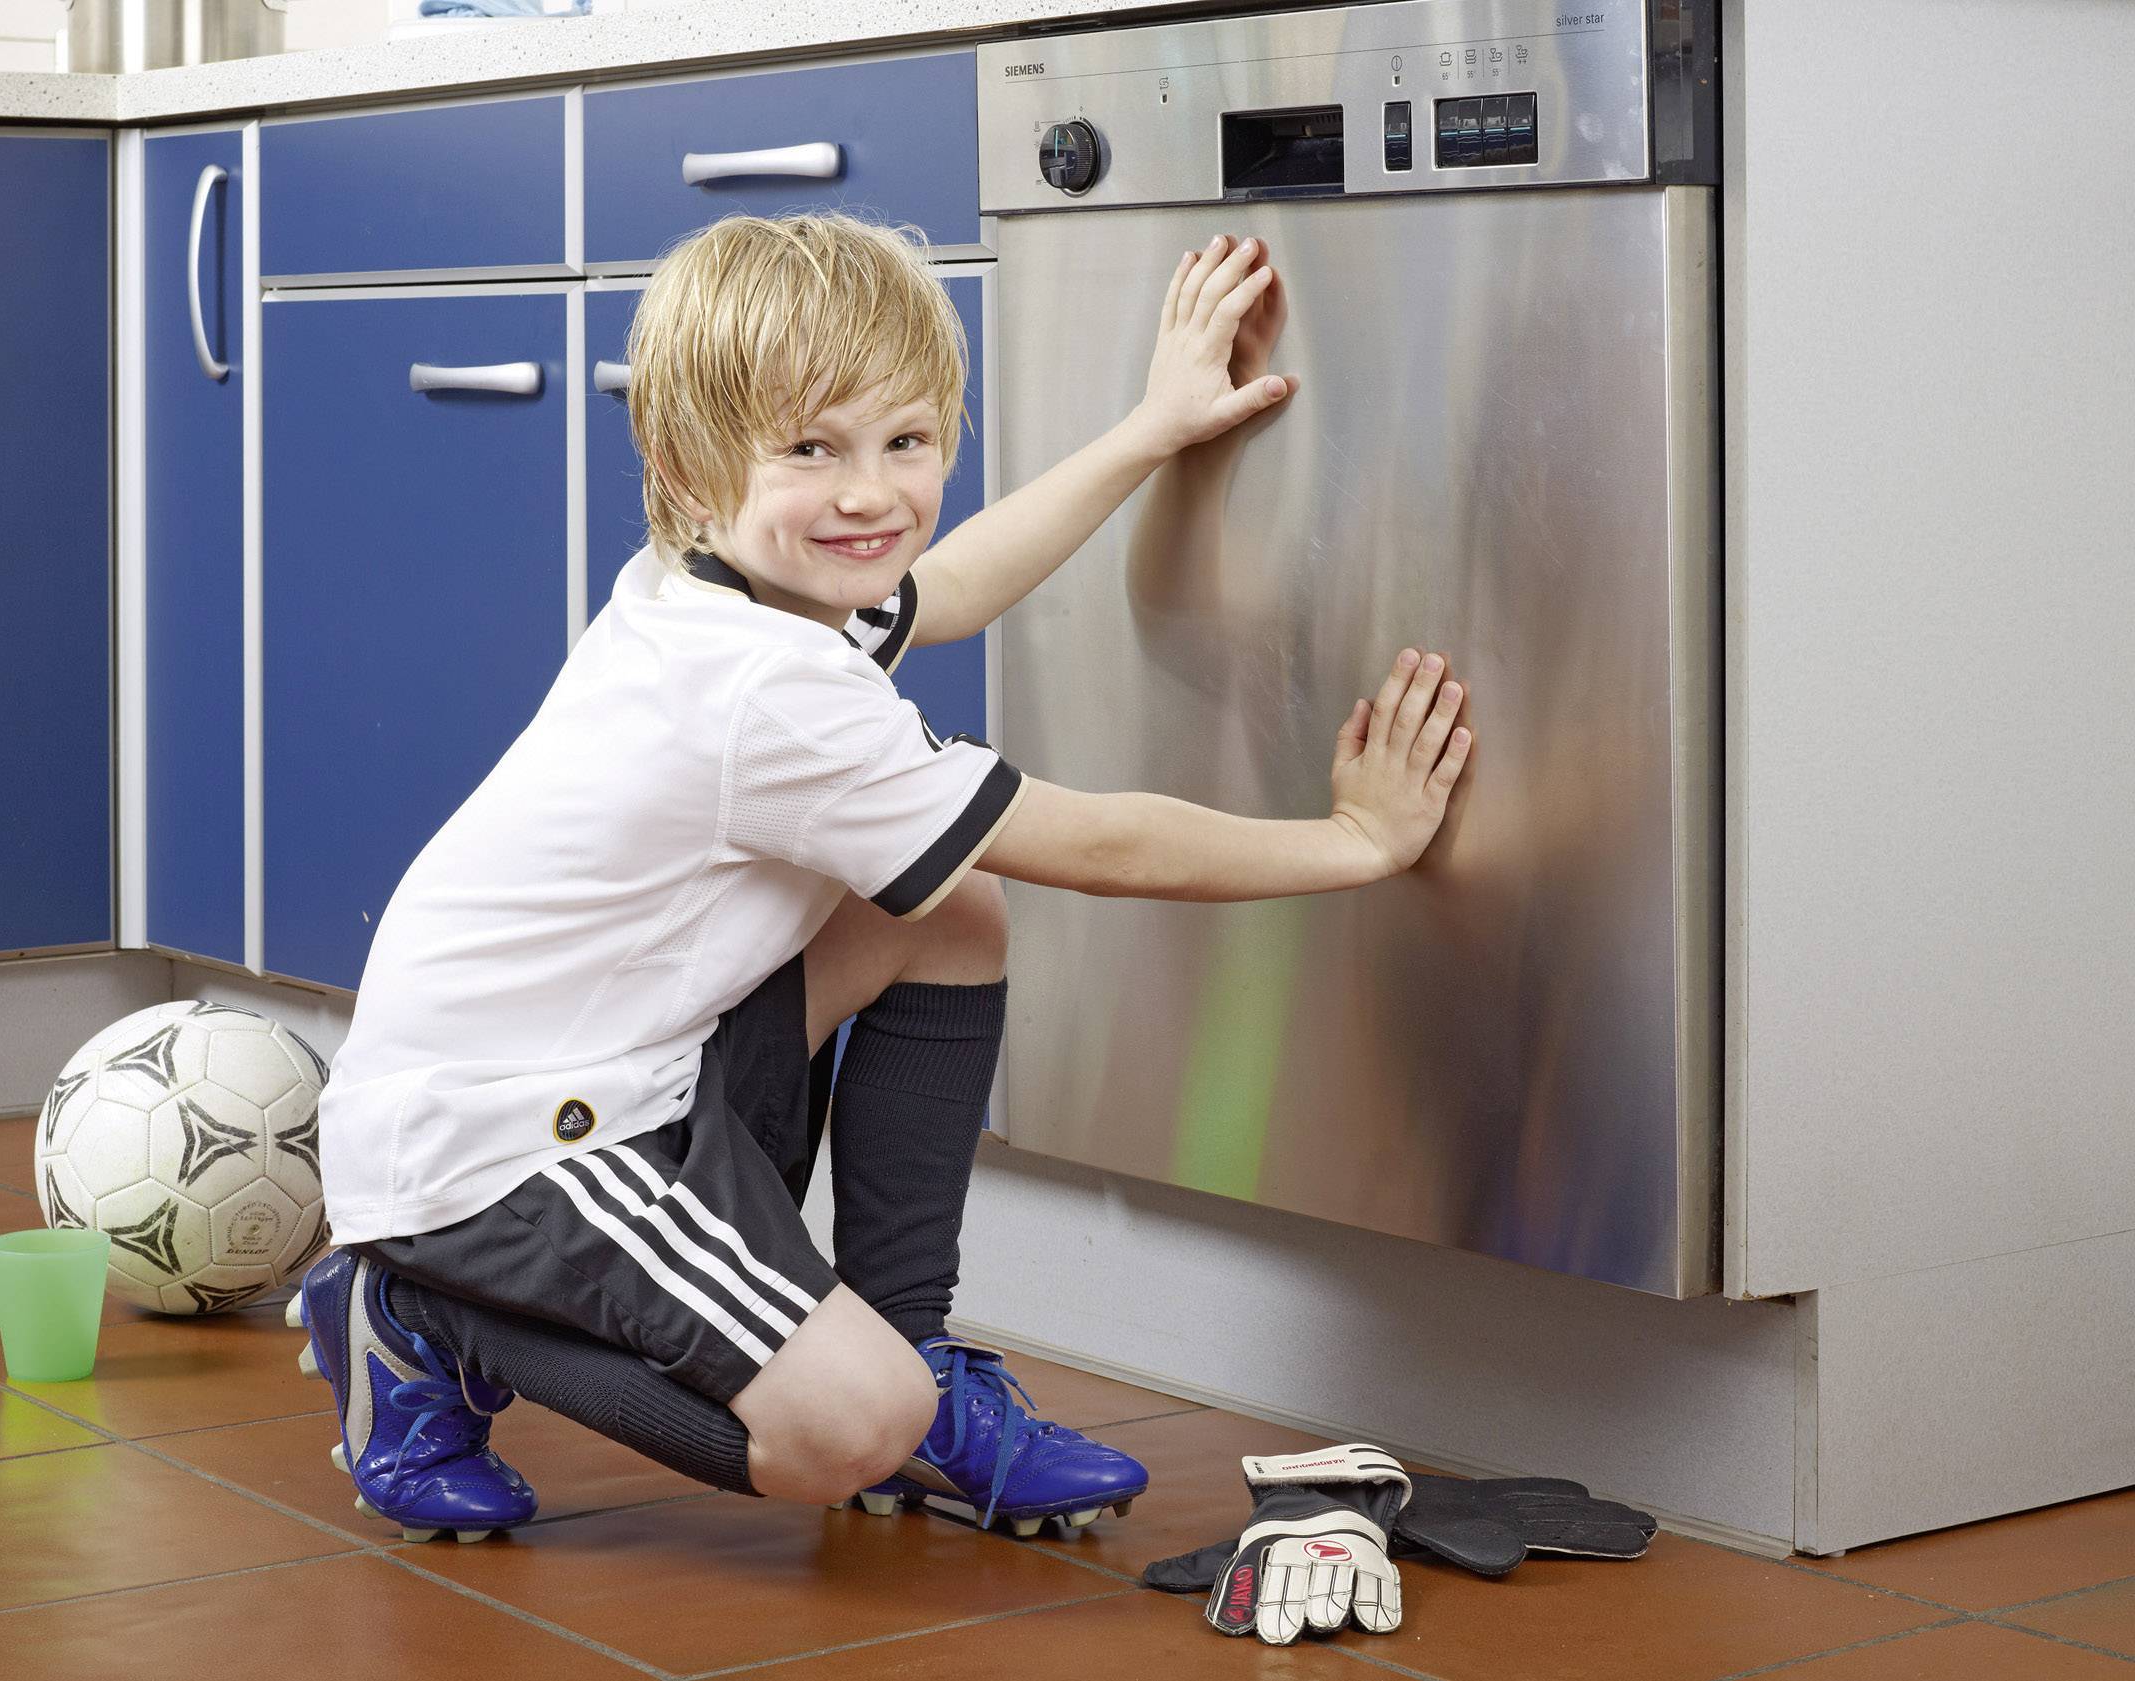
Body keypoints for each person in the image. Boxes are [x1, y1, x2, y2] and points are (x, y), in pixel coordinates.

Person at [290, 212, 1474, 1546]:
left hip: (604, 1067)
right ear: (688, 472)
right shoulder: (759, 683)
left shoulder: (746, 582)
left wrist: (1155, 426)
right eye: (813, 448)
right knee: (849, 1425)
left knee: (947, 907)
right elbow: (1097, 843)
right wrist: (1351, 844)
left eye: (906, 442)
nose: (871, 495)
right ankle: (422, 1314)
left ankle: (918, 1354)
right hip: (498, 1140)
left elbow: (952, 578)